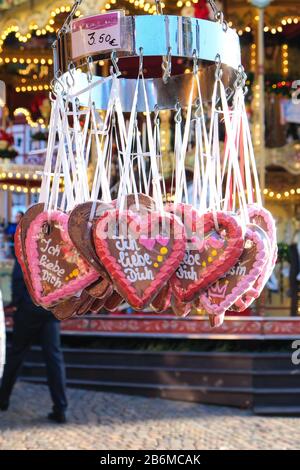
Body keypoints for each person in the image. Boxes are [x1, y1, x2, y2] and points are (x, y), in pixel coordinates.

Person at [0, 257, 68, 423]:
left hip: (28, 308)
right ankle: (60, 408)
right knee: (54, 358)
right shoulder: (57, 244)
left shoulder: (26, 239)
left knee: (16, 354)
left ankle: (2, 400)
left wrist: (17, 302)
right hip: (50, 308)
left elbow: (17, 276)